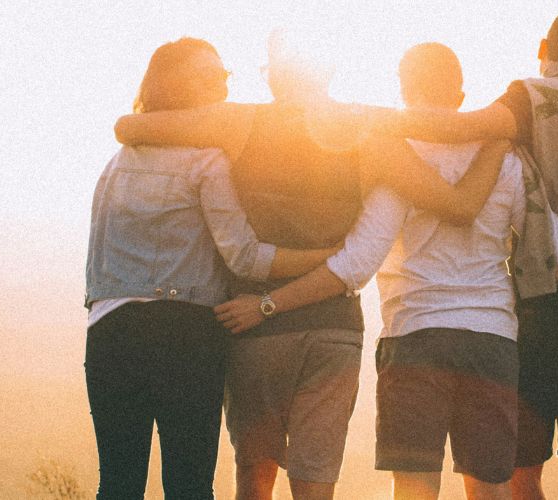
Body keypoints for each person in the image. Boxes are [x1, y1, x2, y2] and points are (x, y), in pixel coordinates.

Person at [213, 41, 558, 500]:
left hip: (415, 338)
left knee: (415, 489)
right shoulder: (506, 160)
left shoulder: (398, 162)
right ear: (460, 96)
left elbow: (356, 264)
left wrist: (269, 303)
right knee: (490, 490)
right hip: (491, 342)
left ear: (404, 91)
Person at [114, 32, 507, 500]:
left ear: (274, 75)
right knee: (316, 486)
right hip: (333, 330)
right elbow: (458, 206)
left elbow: (130, 127)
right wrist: (499, 137)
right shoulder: (371, 134)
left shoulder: (238, 123)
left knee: (254, 482)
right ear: (328, 71)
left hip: (254, 329)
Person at [370, 9, 558, 499]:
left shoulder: (534, 97)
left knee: (520, 473)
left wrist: (365, 121)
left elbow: (462, 128)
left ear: (544, 48)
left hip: (550, 307)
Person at [84, 37, 343, 500]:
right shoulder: (207, 160)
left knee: (118, 483)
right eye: (210, 77)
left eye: (224, 75)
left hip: (110, 332)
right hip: (186, 334)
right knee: (189, 485)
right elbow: (244, 257)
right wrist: (326, 256)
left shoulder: (115, 164)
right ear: (177, 85)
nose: (223, 86)